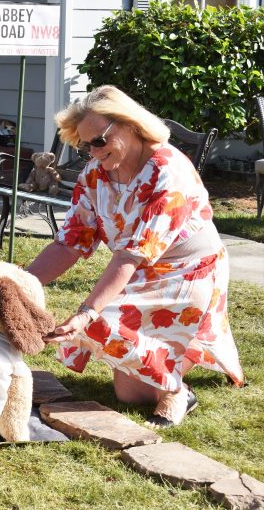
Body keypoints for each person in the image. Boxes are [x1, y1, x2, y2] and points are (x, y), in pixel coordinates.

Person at [27, 85, 245, 428]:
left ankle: (176, 391)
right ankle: (171, 362)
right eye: (86, 146)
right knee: (129, 394)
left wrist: (86, 313)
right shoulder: (95, 175)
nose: (93, 152)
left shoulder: (167, 170)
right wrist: (19, 282)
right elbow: (69, 243)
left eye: (99, 141)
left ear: (130, 125)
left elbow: (130, 256)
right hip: (144, 270)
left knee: (99, 321)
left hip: (190, 272)